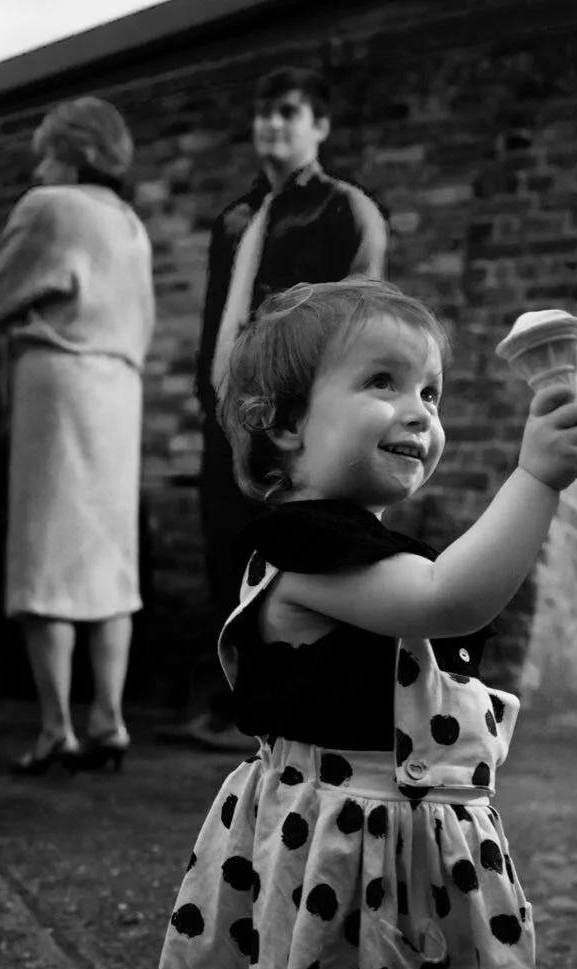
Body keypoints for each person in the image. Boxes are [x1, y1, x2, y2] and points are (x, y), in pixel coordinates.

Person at [123, 279, 577, 969]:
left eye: (430, 390)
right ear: (283, 426)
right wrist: (533, 479)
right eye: (381, 382)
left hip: (399, 858)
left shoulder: (373, 547)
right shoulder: (302, 546)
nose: (418, 410)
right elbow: (444, 602)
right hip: (320, 856)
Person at [173, 66, 390, 755]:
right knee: (225, 555)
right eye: (264, 112)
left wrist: (316, 416)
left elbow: (357, 318)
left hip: (295, 419)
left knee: (293, 556)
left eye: (288, 112)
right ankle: (232, 703)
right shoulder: (235, 218)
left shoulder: (345, 209)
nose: (271, 124)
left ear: (319, 126)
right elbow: (219, 316)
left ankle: (287, 712)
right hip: (227, 416)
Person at [0, 97, 155, 777]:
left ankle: (57, 729)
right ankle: (109, 718)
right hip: (118, 392)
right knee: (109, 560)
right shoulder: (130, 224)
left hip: (59, 387)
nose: (39, 168)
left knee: (44, 558)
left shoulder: (50, 208)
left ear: (72, 156)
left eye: (47, 154)